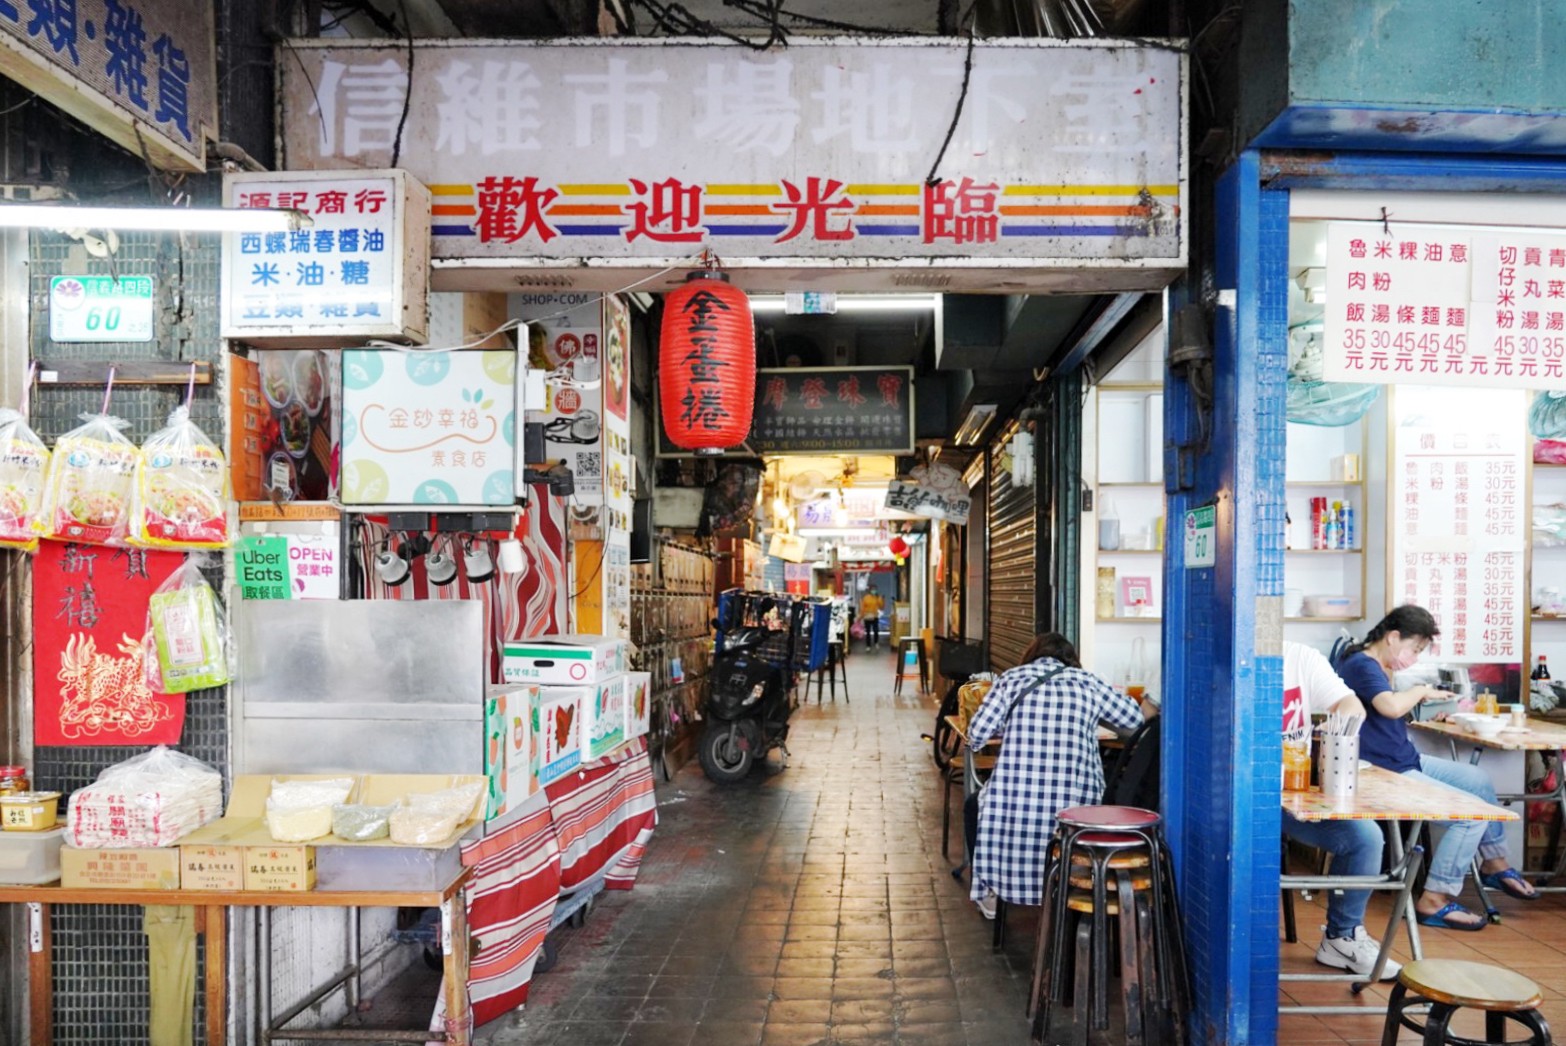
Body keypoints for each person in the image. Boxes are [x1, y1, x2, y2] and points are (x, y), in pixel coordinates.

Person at [1336, 605, 1536, 931]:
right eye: (1414, 649)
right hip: (1386, 771)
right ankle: (1434, 899)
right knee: (1470, 815)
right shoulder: (1362, 663)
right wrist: (1421, 690)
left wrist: (1429, 711)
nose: (1414, 657)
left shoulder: (1377, 665)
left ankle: (1494, 863)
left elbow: (1384, 717)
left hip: (1405, 759)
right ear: (1393, 637)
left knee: (1478, 781)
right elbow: (1388, 707)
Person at [966, 633, 1144, 918]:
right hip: (1075, 811)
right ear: (1072, 659)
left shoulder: (1011, 679)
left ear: (1032, 655)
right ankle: (1072, 889)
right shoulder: (1089, 682)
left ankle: (992, 894)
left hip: (1013, 805)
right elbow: (1134, 720)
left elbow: (976, 734)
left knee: (973, 805)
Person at [1280, 641, 1399, 978]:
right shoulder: (1214, 655)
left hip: (1292, 790)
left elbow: (1351, 705)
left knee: (1365, 837)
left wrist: (1340, 726)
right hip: (1233, 793)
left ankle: (1341, 937)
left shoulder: (1300, 657)